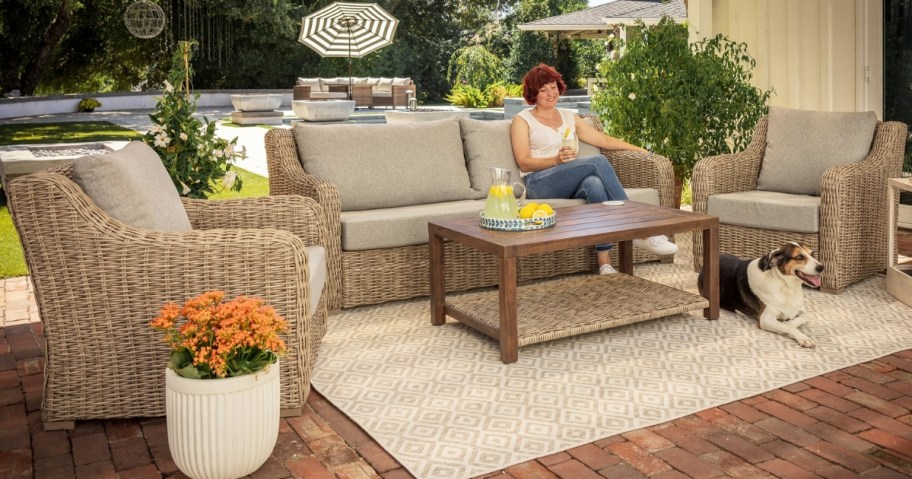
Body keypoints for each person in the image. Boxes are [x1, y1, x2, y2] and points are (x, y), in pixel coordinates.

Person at [510, 63, 678, 275]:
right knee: (596, 162)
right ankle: (639, 229)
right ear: (534, 94)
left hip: (568, 181)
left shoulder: (570, 117)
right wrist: (557, 160)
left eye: (552, 86)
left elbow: (604, 140)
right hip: (538, 183)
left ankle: (604, 263)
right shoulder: (523, 119)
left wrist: (642, 150)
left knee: (594, 184)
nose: (550, 93)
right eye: (543, 90)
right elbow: (524, 162)